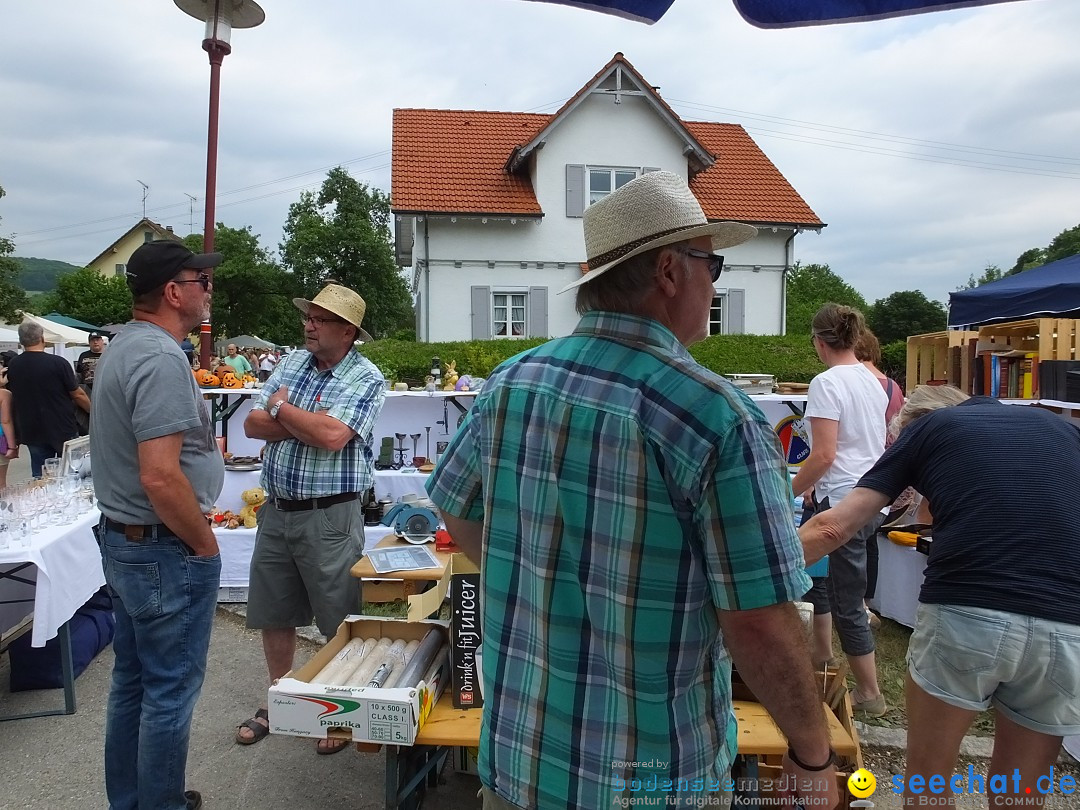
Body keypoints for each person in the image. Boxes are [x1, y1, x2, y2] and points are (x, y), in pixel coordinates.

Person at [426, 171, 838, 809]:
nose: (715, 282)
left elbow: (454, 504)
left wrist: (539, 572)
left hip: (520, 763)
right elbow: (758, 621)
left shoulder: (512, 382)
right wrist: (813, 756)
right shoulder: (715, 416)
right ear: (671, 272)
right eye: (715, 264)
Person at [800, 385, 1080, 806]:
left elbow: (833, 528)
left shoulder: (930, 428)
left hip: (968, 611)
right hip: (1066, 625)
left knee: (928, 783)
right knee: (1021, 793)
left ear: (915, 422)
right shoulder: (1063, 432)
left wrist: (745, 573)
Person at [90, 240, 225, 810]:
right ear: (174, 292)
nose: (209, 290)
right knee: (168, 692)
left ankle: (132, 801)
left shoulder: (125, 345)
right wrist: (205, 543)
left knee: (134, 683)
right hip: (162, 548)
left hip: (128, 541)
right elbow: (161, 477)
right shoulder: (162, 357)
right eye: (203, 281)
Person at [236, 283, 385, 754]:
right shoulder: (292, 361)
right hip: (277, 510)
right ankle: (282, 698)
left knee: (338, 614)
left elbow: (333, 436)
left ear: (348, 330)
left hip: (330, 515)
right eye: (309, 316)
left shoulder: (366, 376)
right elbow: (251, 424)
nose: (309, 324)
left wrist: (281, 406)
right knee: (273, 612)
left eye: (321, 319)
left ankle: (336, 709)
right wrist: (305, 419)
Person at [789, 304, 888, 717]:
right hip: (870, 492)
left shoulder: (827, 382)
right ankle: (822, 656)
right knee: (819, 579)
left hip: (846, 497)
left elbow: (825, 454)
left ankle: (869, 693)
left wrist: (786, 488)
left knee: (845, 596)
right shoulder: (872, 380)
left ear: (818, 342)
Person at [6, 321, 91, 477]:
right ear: (42, 338)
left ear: (21, 341)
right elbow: (77, 394)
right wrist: (91, 410)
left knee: (41, 475)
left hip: (31, 428)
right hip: (61, 425)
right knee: (73, 472)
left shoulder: (14, 365)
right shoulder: (58, 363)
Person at [0, 365, 18, 487]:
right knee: (1, 483)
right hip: (0, 439)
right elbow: (6, 421)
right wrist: (12, 446)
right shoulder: (4, 394)